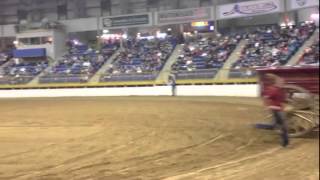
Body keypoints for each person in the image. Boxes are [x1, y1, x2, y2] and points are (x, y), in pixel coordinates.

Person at [257, 73, 289, 147]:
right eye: (281, 82)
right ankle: (285, 143)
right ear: (276, 82)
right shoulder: (273, 89)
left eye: (282, 82)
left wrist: (284, 106)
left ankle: (257, 126)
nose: (282, 83)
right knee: (283, 126)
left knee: (274, 126)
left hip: (279, 110)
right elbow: (266, 98)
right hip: (276, 110)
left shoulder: (280, 90)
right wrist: (269, 106)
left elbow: (282, 100)